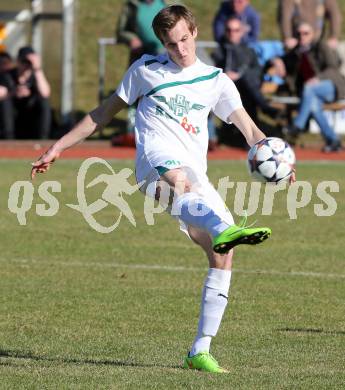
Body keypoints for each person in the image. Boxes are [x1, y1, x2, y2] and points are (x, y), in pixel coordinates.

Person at [31, 5, 286, 373]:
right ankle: (221, 228)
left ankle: (200, 349)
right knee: (187, 189)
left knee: (222, 253)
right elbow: (101, 113)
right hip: (155, 165)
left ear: (194, 32)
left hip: (195, 178)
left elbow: (249, 130)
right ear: (162, 44)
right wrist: (57, 147)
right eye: (171, 44)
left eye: (184, 39)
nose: (179, 49)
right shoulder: (146, 70)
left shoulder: (215, 80)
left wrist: (278, 160)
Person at [272, 22, 344, 152]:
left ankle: (298, 125)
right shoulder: (296, 51)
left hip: (332, 86)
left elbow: (333, 67)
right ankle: (333, 141)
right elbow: (281, 59)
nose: (302, 36)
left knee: (309, 87)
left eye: (306, 33)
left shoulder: (320, 46)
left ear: (312, 34)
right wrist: (276, 61)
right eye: (299, 34)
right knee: (314, 106)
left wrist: (319, 78)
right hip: (312, 93)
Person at [113, 0, 170, 146]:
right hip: (141, 57)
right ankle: (132, 133)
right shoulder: (132, 5)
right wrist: (131, 38)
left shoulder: (169, 3)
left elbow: (184, 26)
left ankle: (165, 131)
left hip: (167, 58)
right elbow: (120, 31)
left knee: (165, 93)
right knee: (135, 94)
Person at [212, 17, 280, 123]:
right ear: (225, 31)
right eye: (229, 30)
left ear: (241, 32)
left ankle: (262, 109)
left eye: (236, 30)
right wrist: (225, 75)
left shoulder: (249, 51)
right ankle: (264, 107)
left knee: (247, 79)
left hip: (247, 88)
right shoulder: (219, 52)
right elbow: (212, 73)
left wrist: (240, 75)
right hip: (227, 88)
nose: (232, 33)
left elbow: (258, 71)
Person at [0, 46, 51, 139]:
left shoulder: (37, 76)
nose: (26, 64)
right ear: (18, 61)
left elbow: (45, 93)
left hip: (31, 117)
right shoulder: (8, 75)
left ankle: (43, 139)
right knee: (5, 102)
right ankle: (8, 140)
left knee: (44, 102)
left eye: (29, 62)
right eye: (24, 61)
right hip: (12, 117)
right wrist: (13, 93)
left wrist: (37, 69)